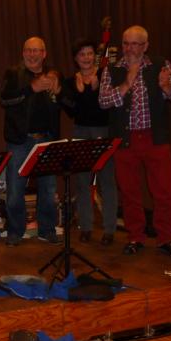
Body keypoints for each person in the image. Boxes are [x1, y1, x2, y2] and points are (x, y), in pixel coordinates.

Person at [98, 25, 171, 258]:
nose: (129, 49)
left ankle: (165, 238)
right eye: (126, 43)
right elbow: (103, 102)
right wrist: (126, 83)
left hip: (155, 138)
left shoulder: (160, 65)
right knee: (129, 193)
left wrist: (166, 87)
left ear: (146, 46)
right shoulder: (113, 69)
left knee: (164, 191)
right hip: (125, 140)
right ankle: (135, 237)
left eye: (135, 44)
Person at [0, 36, 65, 247]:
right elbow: (4, 100)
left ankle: (47, 230)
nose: (32, 54)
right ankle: (15, 231)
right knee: (15, 189)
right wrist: (31, 88)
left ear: (44, 54)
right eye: (28, 50)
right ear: (23, 53)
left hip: (47, 139)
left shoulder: (54, 74)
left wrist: (59, 92)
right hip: (20, 140)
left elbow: (67, 103)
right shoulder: (13, 73)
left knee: (48, 188)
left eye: (37, 50)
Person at [66, 38, 118, 246]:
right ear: (75, 58)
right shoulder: (71, 81)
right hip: (80, 131)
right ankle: (86, 227)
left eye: (89, 53)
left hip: (103, 131)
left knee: (107, 181)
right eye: (82, 54)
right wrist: (79, 93)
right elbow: (72, 112)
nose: (86, 58)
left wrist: (97, 89)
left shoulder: (106, 76)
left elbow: (110, 106)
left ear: (94, 56)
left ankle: (109, 229)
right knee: (82, 182)